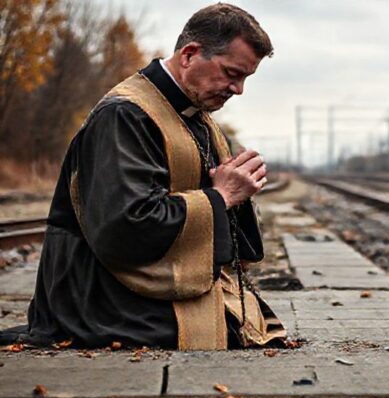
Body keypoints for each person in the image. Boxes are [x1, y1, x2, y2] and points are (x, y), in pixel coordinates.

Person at [0, 3, 285, 350]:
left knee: (249, 318)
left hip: (133, 283)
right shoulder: (124, 116)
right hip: (95, 295)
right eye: (231, 73)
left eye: (244, 78)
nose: (237, 89)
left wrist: (236, 190)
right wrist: (221, 196)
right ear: (189, 55)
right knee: (227, 327)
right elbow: (125, 228)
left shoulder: (196, 118)